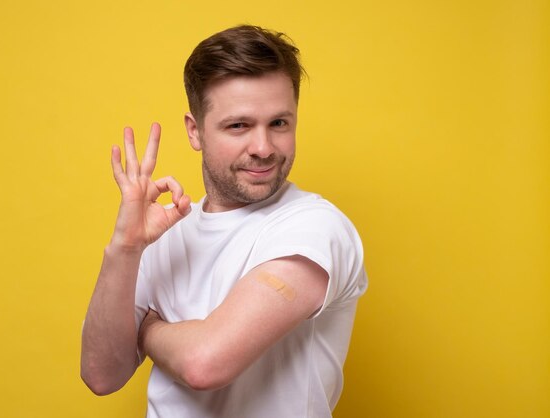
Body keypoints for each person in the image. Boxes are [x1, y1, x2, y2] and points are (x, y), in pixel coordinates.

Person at [81, 25, 367, 417]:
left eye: (279, 123)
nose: (264, 148)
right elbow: (101, 375)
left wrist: (148, 331)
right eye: (239, 126)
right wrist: (125, 248)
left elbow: (204, 363)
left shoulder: (315, 229)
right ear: (195, 131)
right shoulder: (164, 231)